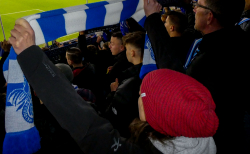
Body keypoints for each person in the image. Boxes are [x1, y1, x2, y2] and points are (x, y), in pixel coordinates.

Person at [8, 19, 219, 153]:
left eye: (145, 96)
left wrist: (32, 57)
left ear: (161, 117)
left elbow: (85, 123)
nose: (140, 97)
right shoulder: (203, 138)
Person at [143, 0, 250, 153]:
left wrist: (152, 19)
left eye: (198, 6)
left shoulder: (214, 59)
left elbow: (175, 79)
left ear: (209, 17)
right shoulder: (237, 40)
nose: (194, 9)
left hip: (216, 143)